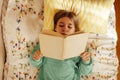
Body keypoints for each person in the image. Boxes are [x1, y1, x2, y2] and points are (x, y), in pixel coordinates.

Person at [30, 10, 92, 80]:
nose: (65, 29)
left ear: (75, 30)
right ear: (55, 27)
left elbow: (84, 72)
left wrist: (86, 61)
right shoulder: (46, 40)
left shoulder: (80, 45)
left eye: (69, 27)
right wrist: (37, 58)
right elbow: (36, 64)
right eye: (61, 25)